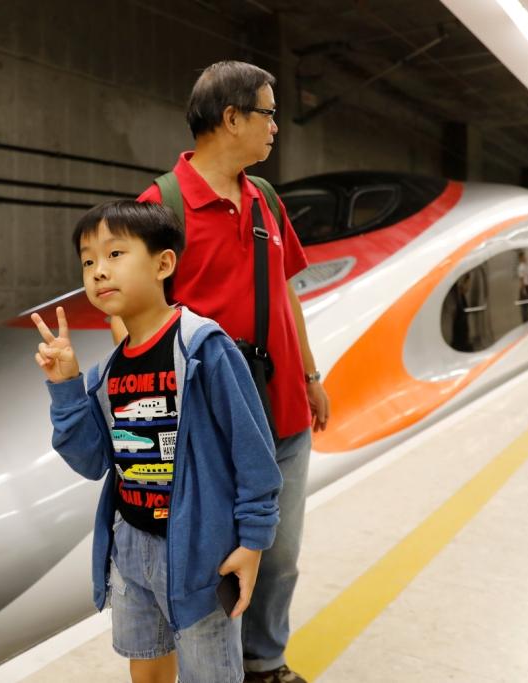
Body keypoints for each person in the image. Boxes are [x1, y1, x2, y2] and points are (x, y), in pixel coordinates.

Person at [114, 61, 331, 683]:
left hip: (282, 409)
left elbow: (286, 293)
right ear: (231, 118)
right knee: (215, 561)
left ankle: (265, 662)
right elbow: (128, 315)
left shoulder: (265, 198)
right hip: (208, 426)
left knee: (279, 554)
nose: (275, 128)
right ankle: (219, 669)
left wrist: (310, 376)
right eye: (267, 113)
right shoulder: (162, 204)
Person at [31, 200, 283, 683]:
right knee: (145, 668)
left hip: (198, 552)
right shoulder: (107, 372)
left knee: (210, 674)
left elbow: (253, 452)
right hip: (131, 547)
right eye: (88, 261)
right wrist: (65, 386)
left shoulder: (203, 349)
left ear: (163, 264)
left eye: (115, 254)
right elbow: (91, 461)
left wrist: (253, 542)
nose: (99, 272)